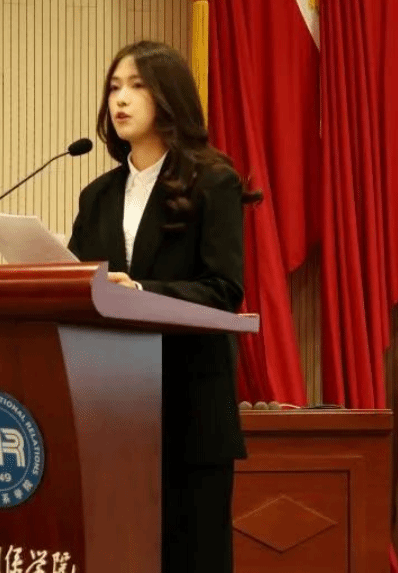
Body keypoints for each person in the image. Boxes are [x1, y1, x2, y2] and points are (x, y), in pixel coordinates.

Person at [67, 40, 260, 573]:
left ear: (168, 97)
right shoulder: (97, 196)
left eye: (136, 86)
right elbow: (79, 287)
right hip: (112, 409)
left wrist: (140, 292)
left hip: (189, 406)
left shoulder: (213, 182)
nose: (120, 99)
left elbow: (223, 289)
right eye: (113, 87)